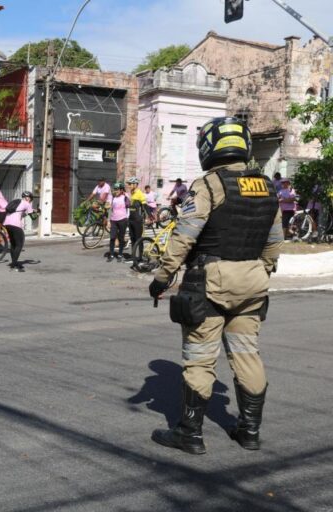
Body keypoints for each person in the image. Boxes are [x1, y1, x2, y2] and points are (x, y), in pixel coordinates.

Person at [148, 117, 282, 455]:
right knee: (247, 355)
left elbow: (184, 237)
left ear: (209, 148)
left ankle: (189, 434)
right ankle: (249, 431)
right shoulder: (267, 186)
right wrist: (260, 272)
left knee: (200, 358)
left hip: (209, 282)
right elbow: (274, 242)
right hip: (253, 281)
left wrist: (162, 277)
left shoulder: (209, 185)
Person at [4, 191, 36, 272]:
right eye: (30, 199)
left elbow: (21, 214)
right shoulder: (27, 203)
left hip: (7, 223)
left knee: (13, 244)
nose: (30, 201)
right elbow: (33, 217)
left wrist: (31, 211)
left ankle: (14, 263)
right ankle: (14, 265)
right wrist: (38, 213)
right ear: (28, 198)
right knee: (19, 245)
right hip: (15, 224)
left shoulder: (18, 202)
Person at [107, 182, 129, 262]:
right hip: (113, 220)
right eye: (115, 189)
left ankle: (120, 254)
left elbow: (128, 208)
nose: (115, 191)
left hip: (123, 220)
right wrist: (108, 220)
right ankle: (111, 254)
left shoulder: (125, 197)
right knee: (112, 237)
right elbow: (110, 209)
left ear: (121, 190)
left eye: (117, 189)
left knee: (121, 238)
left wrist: (127, 218)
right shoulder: (112, 197)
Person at [126, 177, 147, 253]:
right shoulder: (132, 193)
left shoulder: (139, 193)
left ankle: (140, 256)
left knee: (139, 238)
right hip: (131, 219)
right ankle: (133, 256)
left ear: (135, 184)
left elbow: (144, 206)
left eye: (130, 184)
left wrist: (148, 217)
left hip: (137, 220)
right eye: (128, 184)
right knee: (132, 238)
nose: (128, 186)